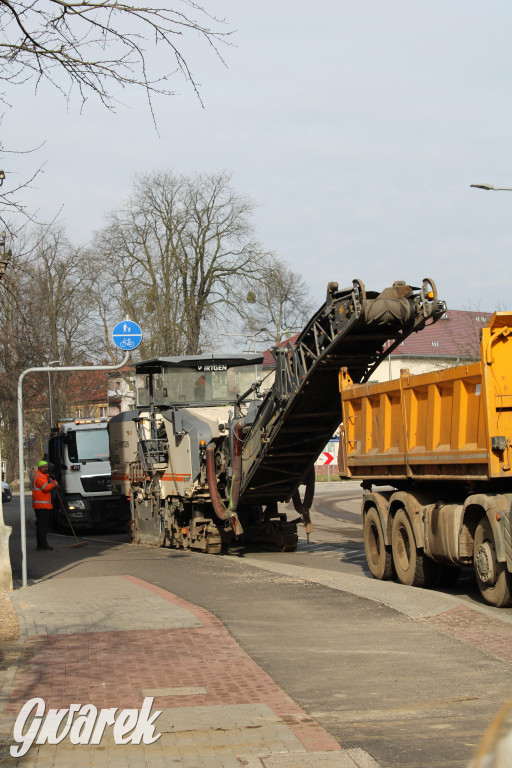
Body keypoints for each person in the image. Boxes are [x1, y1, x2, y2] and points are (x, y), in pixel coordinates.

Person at [32, 460, 58, 551]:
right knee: (43, 527)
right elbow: (45, 488)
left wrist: (52, 482)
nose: (46, 468)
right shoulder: (39, 476)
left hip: (44, 505)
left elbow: (48, 484)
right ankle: (43, 545)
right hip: (41, 505)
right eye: (44, 467)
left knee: (42, 526)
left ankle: (41, 545)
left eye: (46, 466)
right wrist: (54, 484)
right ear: (39, 468)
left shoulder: (44, 476)